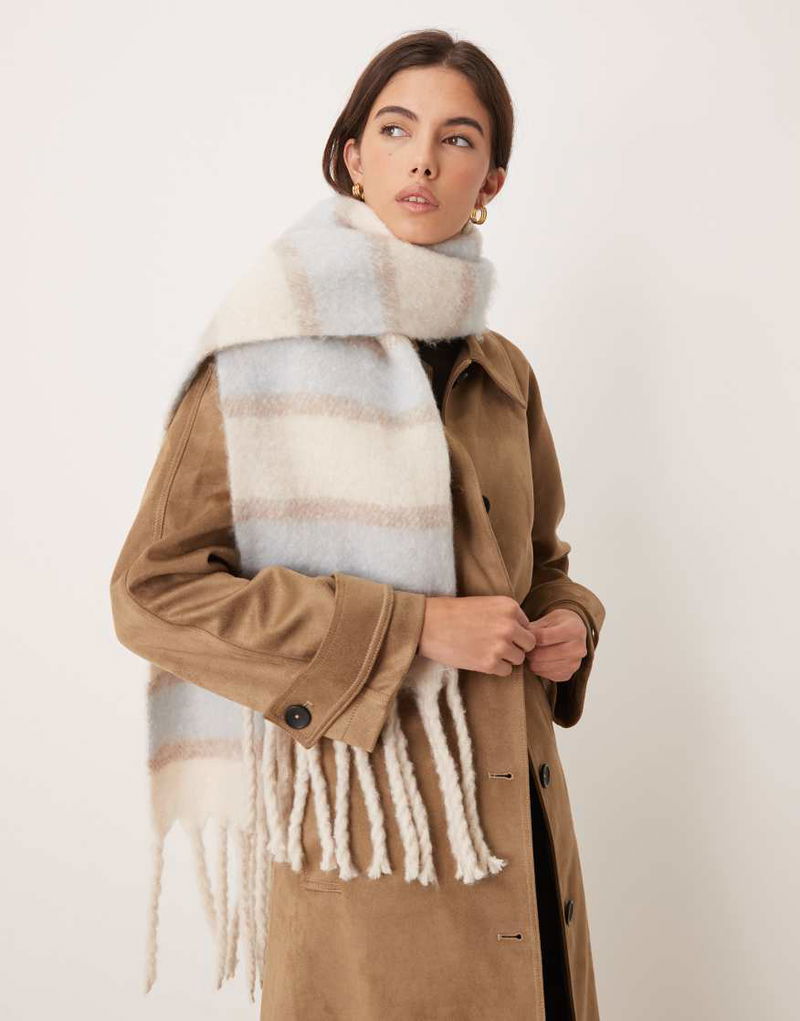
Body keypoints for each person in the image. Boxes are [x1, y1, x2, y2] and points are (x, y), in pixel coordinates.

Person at [110, 28, 605, 1021]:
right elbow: (152, 595)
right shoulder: (259, 359)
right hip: (374, 857)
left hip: (522, 839)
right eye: (395, 129)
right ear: (353, 157)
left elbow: (540, 562)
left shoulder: (501, 371)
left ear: (489, 182)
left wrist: (572, 621)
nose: (422, 160)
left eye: (456, 139)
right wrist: (414, 626)